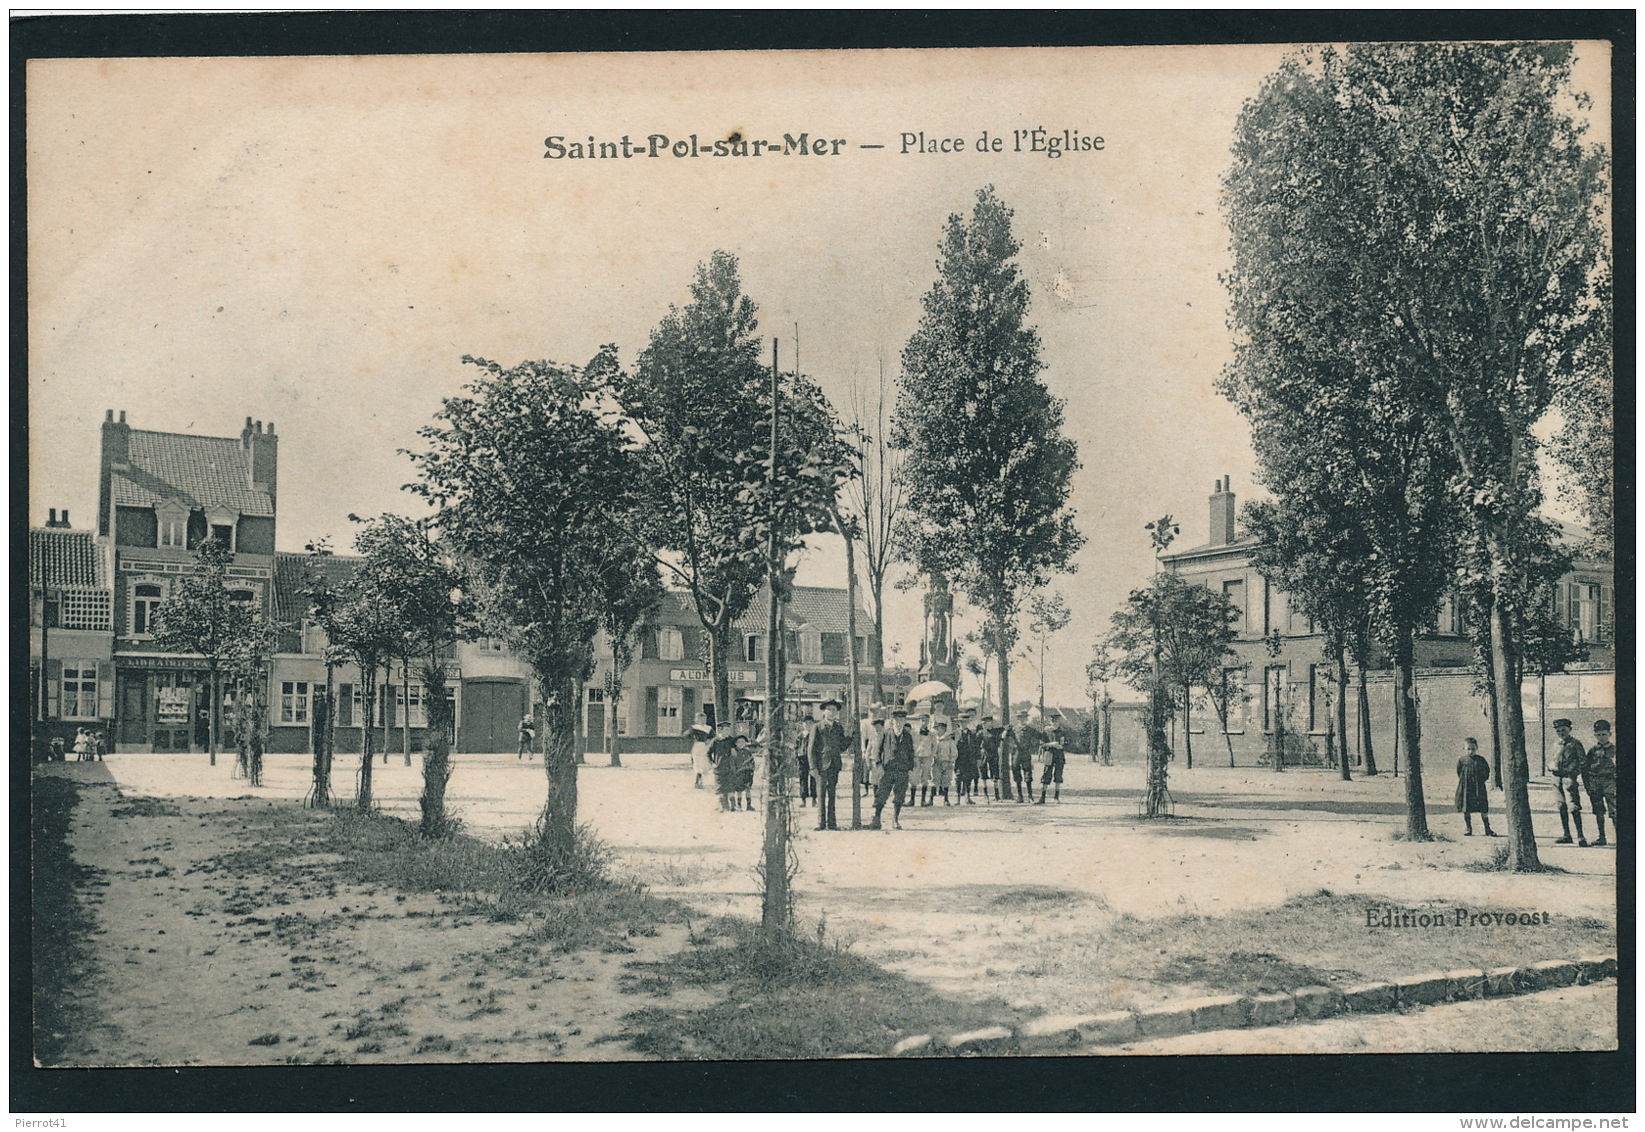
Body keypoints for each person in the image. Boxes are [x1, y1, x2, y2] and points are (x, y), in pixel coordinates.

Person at [871, 708, 915, 830]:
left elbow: (911, 753)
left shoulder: (907, 736)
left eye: (902, 719)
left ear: (905, 721)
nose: (899, 722)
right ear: (892, 721)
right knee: (882, 794)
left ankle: (895, 819)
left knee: (899, 795)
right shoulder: (886, 733)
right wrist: (878, 764)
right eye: (896, 719)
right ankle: (877, 818)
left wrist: (910, 768)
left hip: (902, 770)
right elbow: (878, 750)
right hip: (888, 769)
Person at [810, 699, 850, 831]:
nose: (832, 712)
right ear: (823, 711)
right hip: (821, 766)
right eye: (829, 709)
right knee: (820, 794)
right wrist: (813, 767)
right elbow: (810, 749)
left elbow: (842, 746)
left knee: (832, 794)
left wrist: (851, 737)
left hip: (834, 765)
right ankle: (820, 823)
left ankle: (832, 823)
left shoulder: (838, 728)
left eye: (834, 710)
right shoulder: (817, 727)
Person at [1550, 718, 1589, 845]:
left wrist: (1573, 772)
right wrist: (1550, 766)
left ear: (1570, 730)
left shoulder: (1575, 744)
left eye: (1564, 730)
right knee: (1561, 806)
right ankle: (1567, 835)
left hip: (1568, 778)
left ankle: (1580, 836)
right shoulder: (1556, 744)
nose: (1561, 733)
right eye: (1558, 731)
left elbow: (1583, 762)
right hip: (1556, 778)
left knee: (1573, 807)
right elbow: (1553, 759)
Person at [1454, 738, 1496, 837]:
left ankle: (1487, 828)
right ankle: (1468, 828)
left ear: (1477, 748)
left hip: (1479, 787)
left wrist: (1480, 781)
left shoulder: (1481, 760)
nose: (1470, 751)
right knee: (1466, 807)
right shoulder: (1462, 760)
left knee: (1483, 808)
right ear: (1464, 748)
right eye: (1468, 749)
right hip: (1466, 788)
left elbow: (1486, 772)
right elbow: (1459, 772)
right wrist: (1465, 781)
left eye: (1473, 749)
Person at [1586, 720, 1616, 847]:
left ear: (1609, 734)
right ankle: (1601, 837)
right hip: (1596, 783)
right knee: (1598, 811)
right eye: (1598, 735)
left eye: (1603, 734)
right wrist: (1589, 785)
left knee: (1614, 811)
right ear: (1595, 735)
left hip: (1610, 783)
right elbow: (1586, 768)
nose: (1601, 737)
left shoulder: (1614, 750)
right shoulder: (1592, 751)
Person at [1010, 710, 1043, 803]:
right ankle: (1020, 796)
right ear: (1018, 719)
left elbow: (1040, 736)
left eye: (1024, 718)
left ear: (1027, 719)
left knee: (1028, 774)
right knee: (1016, 774)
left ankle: (1030, 796)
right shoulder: (1013, 730)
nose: (1022, 720)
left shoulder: (1031, 730)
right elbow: (1003, 737)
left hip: (1026, 753)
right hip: (1016, 753)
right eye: (1020, 718)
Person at [709, 722, 740, 811]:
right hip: (719, 767)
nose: (728, 731)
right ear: (720, 730)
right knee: (720, 787)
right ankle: (722, 806)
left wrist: (734, 749)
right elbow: (708, 753)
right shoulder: (715, 741)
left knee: (730, 786)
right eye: (725, 729)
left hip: (730, 767)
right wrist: (712, 763)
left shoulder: (731, 740)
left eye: (728, 729)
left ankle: (733, 806)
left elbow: (737, 749)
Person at [954, 710, 981, 804]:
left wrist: (978, 759)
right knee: (958, 778)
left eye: (965, 722)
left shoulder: (972, 734)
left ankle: (967, 797)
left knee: (968, 778)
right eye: (961, 722)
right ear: (958, 723)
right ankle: (957, 799)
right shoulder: (955, 734)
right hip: (959, 759)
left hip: (969, 759)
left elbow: (977, 747)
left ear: (968, 723)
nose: (963, 724)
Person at [796, 706, 818, 808]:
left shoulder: (816, 735)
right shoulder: (801, 735)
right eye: (806, 723)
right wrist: (797, 754)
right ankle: (803, 799)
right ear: (803, 725)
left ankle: (814, 799)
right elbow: (796, 746)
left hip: (813, 759)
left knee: (813, 779)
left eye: (810, 723)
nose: (808, 725)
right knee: (803, 779)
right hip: (802, 759)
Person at [913, 714, 936, 806]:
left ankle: (923, 800)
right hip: (916, 756)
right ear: (919, 721)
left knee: (925, 778)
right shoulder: (914, 732)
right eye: (922, 720)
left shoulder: (931, 733)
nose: (924, 722)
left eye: (926, 720)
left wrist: (932, 756)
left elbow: (935, 745)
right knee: (914, 777)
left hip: (927, 756)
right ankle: (912, 799)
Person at [932, 719, 957, 806]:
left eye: (941, 729)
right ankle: (931, 799)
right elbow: (932, 751)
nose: (939, 731)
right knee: (935, 779)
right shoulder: (934, 739)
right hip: (936, 762)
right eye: (938, 729)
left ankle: (946, 799)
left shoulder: (949, 740)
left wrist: (951, 761)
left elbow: (954, 752)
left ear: (944, 730)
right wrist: (934, 758)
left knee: (946, 780)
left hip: (947, 762)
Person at [979, 716, 1003, 802]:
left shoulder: (996, 732)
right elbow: (975, 744)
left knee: (995, 774)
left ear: (991, 723)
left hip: (994, 754)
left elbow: (1004, 732)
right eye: (983, 723)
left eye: (986, 723)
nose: (984, 725)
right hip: (984, 754)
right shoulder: (980, 733)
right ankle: (986, 795)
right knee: (983, 774)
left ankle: (997, 796)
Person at [1037, 736, 1067, 804]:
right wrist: (1052, 744)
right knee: (1046, 774)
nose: (1054, 724)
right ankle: (1043, 797)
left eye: (1056, 724)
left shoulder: (1061, 732)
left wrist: (1061, 746)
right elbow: (1042, 744)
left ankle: (1056, 797)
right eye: (1053, 724)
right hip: (1049, 755)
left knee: (1058, 775)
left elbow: (1066, 745)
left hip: (1059, 756)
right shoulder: (1046, 732)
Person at [688, 721, 713, 789]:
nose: (702, 720)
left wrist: (709, 740)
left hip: (705, 746)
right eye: (700, 718)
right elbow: (687, 735)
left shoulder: (708, 728)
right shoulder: (694, 727)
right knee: (697, 763)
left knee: (704, 763)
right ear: (697, 719)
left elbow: (713, 736)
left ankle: (701, 780)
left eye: (704, 718)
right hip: (697, 746)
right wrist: (693, 736)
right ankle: (697, 781)